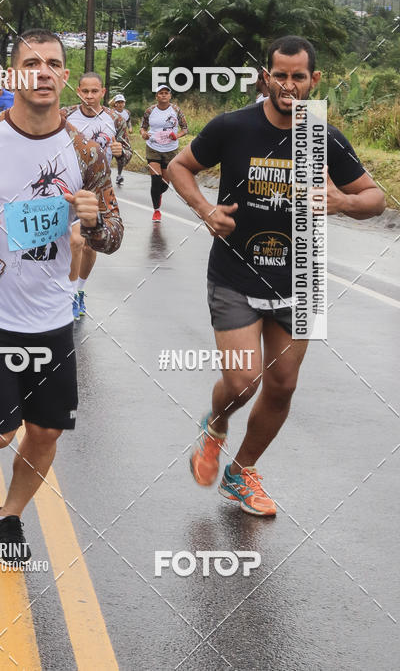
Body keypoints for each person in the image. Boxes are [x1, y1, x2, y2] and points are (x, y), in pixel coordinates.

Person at [168, 35, 385, 516]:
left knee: (283, 385)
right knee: (243, 381)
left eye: (298, 76)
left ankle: (241, 473)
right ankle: (217, 424)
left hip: (300, 276)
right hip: (236, 270)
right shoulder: (232, 126)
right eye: (280, 75)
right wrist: (205, 209)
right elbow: (180, 167)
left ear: (314, 80)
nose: (288, 85)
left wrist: (343, 201)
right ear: (266, 76)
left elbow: (376, 199)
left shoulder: (322, 136)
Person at [0, 28, 123, 562]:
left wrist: (95, 222)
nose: (43, 72)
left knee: (44, 432)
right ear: (14, 74)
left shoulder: (86, 151)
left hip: (50, 313)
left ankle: (10, 516)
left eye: (54, 64)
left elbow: (113, 234)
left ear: (65, 75)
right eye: (31, 63)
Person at [62, 72, 131, 319]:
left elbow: (128, 152)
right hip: (69, 187)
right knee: (74, 241)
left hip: (100, 188)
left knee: (90, 244)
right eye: (85, 91)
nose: (89, 96)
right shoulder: (64, 115)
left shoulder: (115, 118)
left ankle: (78, 290)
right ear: (78, 92)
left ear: (103, 93)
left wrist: (121, 152)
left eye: (94, 91)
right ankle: (67, 294)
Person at [141, 84, 188, 222]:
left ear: (170, 96)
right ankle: (156, 211)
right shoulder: (150, 111)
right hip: (153, 147)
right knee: (156, 180)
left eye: (166, 93)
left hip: (170, 149)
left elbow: (185, 129)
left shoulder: (176, 110)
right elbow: (143, 127)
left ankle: (157, 194)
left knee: (165, 184)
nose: (163, 95)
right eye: (160, 93)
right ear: (156, 96)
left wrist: (177, 135)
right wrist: (144, 134)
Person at [111, 94, 132, 184]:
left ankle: (119, 175)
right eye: (118, 102)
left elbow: (128, 121)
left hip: (122, 138)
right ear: (115, 104)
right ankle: (104, 174)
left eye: (122, 102)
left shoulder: (127, 112)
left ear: (124, 103)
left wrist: (130, 128)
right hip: (112, 136)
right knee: (108, 155)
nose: (120, 104)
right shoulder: (111, 112)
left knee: (121, 157)